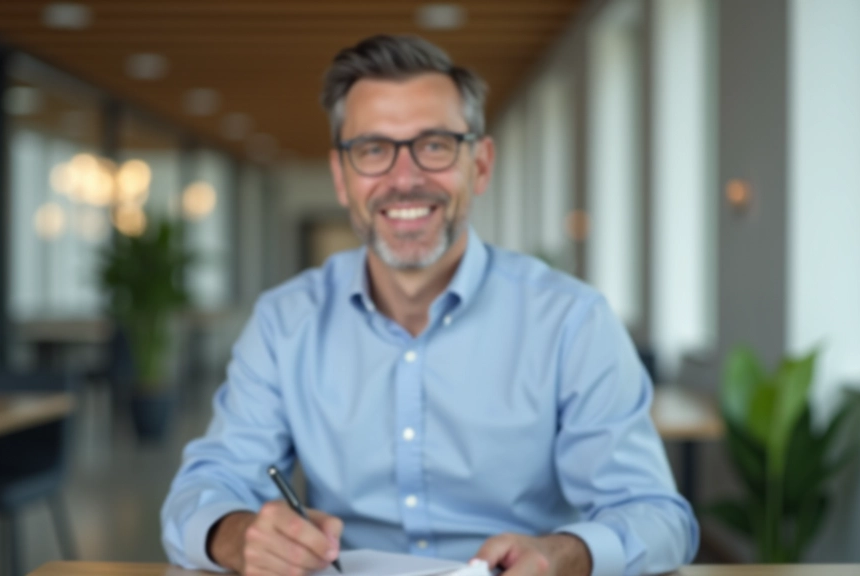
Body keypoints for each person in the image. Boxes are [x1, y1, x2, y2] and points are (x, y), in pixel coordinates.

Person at [162, 34, 699, 576]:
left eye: (435, 144)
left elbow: (657, 516)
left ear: (480, 164)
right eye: (373, 149)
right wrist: (236, 536)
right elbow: (210, 483)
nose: (405, 178)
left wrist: (566, 554)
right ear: (341, 177)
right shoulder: (284, 322)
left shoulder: (572, 320)